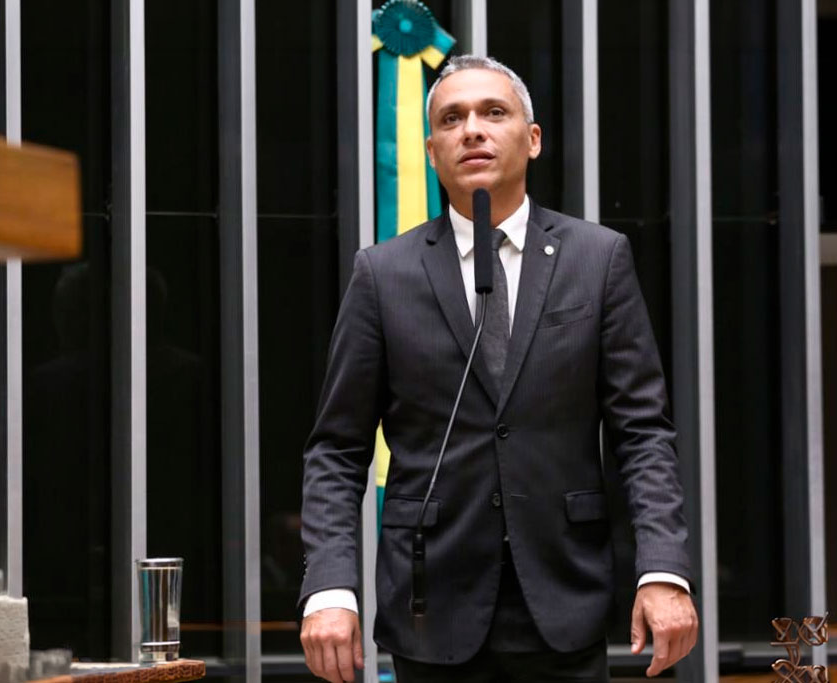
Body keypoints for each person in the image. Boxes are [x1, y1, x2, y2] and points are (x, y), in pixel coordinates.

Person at [298, 55, 698, 683]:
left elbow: (642, 432)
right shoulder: (383, 274)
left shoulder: (598, 259)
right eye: (451, 119)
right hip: (431, 599)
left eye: (493, 113)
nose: (472, 130)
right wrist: (329, 588)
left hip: (564, 595)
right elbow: (337, 449)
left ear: (532, 139)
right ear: (432, 152)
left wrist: (664, 569)